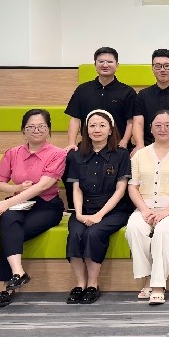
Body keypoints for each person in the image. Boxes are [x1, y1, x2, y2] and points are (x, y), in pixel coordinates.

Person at [0, 109, 67, 308]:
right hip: (20, 202)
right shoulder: (12, 153)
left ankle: (8, 287)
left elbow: (42, 186)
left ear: (49, 129)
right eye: (31, 127)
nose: (36, 130)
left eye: (41, 126)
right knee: (8, 221)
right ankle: (18, 273)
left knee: (9, 232)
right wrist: (15, 189)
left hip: (47, 205)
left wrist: (7, 203)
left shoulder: (58, 154)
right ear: (23, 130)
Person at [125, 110, 169, 306]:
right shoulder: (140, 155)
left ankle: (158, 285)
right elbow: (133, 187)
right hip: (146, 207)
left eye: (167, 125)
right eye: (158, 125)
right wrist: (144, 210)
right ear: (150, 128)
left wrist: (166, 211)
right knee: (134, 228)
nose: (162, 129)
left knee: (163, 231)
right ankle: (148, 277)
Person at [65, 109, 131, 305]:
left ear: (110, 130)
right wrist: (79, 214)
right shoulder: (77, 155)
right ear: (86, 129)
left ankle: (93, 284)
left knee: (93, 234)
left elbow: (120, 190)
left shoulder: (121, 155)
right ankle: (80, 284)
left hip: (113, 210)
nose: (97, 129)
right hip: (84, 208)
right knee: (75, 234)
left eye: (102, 125)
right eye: (92, 125)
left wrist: (99, 215)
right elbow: (76, 189)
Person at [62, 46, 136, 206]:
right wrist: (72, 143)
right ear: (95, 64)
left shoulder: (127, 92)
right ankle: (74, 208)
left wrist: (124, 141)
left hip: (117, 146)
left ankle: (121, 209)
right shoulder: (82, 90)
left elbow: (131, 121)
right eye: (101, 61)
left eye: (110, 61)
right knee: (69, 159)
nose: (105, 65)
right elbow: (75, 119)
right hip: (89, 145)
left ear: (117, 65)